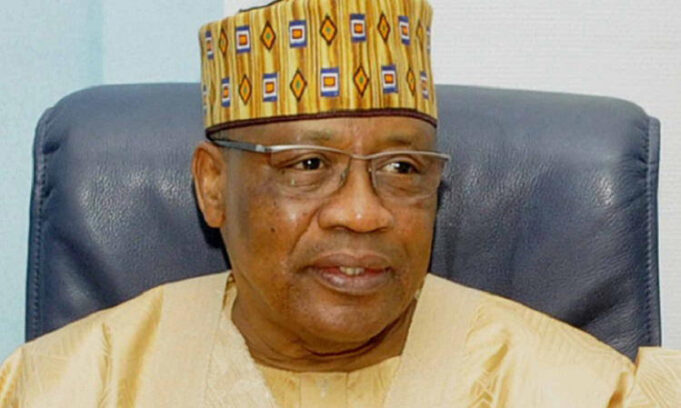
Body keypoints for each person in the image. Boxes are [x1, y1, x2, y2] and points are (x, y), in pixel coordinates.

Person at [1, 0, 680, 406]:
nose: (362, 213)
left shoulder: (576, 391)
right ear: (212, 185)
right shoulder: (72, 387)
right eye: (307, 165)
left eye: (402, 168)